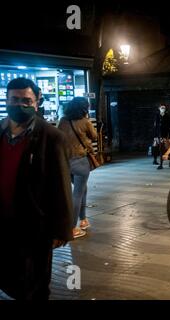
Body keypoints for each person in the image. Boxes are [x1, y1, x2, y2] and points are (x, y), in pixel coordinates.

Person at [0, 78, 73, 300]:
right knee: (8, 276)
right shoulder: (0, 132)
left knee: (35, 284)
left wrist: (62, 229)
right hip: (3, 222)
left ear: (37, 102)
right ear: (6, 100)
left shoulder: (52, 137)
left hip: (35, 225)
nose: (20, 105)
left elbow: (61, 185)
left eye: (26, 100)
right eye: (14, 99)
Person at [57, 97, 97, 239]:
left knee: (82, 189)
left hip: (64, 161)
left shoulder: (63, 120)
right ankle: (72, 228)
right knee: (77, 193)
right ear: (84, 108)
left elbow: (58, 137)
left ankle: (84, 220)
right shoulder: (85, 121)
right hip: (80, 161)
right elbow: (94, 136)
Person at [153, 104, 170, 169]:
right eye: (161, 107)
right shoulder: (157, 115)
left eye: (164, 108)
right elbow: (155, 126)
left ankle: (169, 160)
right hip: (158, 135)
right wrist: (155, 136)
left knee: (165, 148)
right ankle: (158, 162)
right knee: (157, 148)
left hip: (165, 135)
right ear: (159, 108)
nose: (163, 109)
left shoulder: (167, 116)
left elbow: (169, 126)